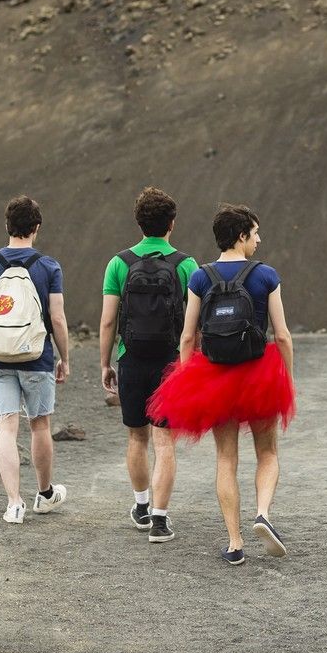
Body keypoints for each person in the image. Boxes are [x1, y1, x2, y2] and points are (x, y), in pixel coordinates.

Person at [148, 204, 295, 565]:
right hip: (258, 373)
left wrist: (188, 381)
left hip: (215, 376)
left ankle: (234, 542)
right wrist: (286, 377)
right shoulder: (266, 276)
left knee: (226, 458)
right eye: (255, 234)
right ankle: (262, 513)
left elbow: (187, 337)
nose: (258, 241)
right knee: (268, 452)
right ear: (241, 235)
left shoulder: (200, 277)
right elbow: (283, 335)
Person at [99, 186, 197, 543]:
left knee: (136, 437)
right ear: (171, 223)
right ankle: (160, 519)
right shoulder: (186, 265)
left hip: (132, 359)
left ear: (139, 222)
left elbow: (109, 321)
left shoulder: (119, 263)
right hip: (170, 363)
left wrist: (106, 362)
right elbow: (194, 323)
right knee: (165, 441)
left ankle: (140, 506)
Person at [0, 194, 70, 525]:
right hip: (37, 356)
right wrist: (64, 357)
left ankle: (14, 503)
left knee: (7, 427)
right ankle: (44, 495)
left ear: (7, 226)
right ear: (36, 228)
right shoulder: (48, 266)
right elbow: (57, 319)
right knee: (39, 424)